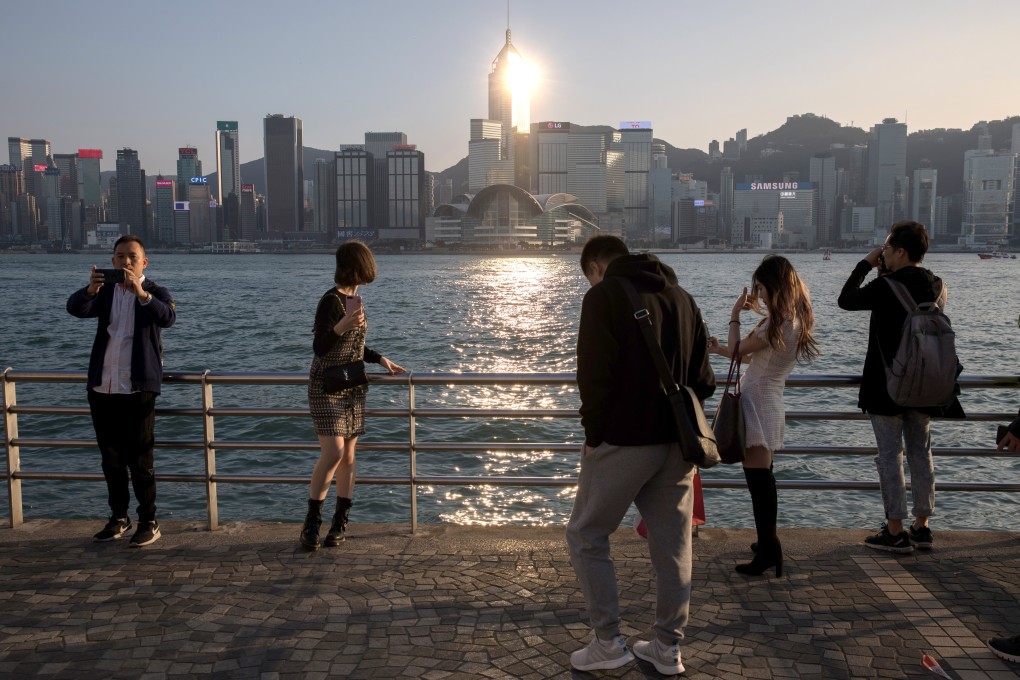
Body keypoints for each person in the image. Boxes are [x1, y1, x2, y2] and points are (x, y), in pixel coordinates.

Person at [566, 235, 714, 675]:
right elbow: (703, 380)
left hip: (623, 440)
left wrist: (594, 435)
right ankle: (668, 646)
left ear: (596, 266)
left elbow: (593, 374)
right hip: (678, 444)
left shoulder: (603, 296)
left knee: (587, 534)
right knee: (673, 543)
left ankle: (608, 642)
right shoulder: (683, 298)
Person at [837, 220, 963, 553]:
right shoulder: (938, 286)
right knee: (922, 452)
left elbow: (846, 300)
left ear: (901, 251)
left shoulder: (884, 287)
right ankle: (922, 527)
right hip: (928, 385)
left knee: (890, 457)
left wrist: (865, 263)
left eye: (887, 248)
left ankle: (894, 531)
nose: (884, 253)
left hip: (887, 387)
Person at [708, 255, 819, 576]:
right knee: (763, 477)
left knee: (758, 482)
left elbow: (740, 348)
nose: (757, 294)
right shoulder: (792, 319)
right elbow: (750, 357)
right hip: (766, 400)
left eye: (760, 287)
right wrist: (719, 350)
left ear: (774, 286)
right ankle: (766, 542)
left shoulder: (778, 322)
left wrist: (733, 315)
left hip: (757, 403)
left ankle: (770, 548)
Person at [66, 235, 176, 547]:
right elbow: (75, 308)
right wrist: (90, 289)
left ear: (144, 262)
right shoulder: (105, 292)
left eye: (132, 256)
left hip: (138, 387)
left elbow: (168, 317)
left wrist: (141, 293)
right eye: (119, 256)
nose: (125, 262)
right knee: (111, 458)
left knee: (141, 460)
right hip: (103, 386)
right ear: (112, 261)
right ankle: (119, 517)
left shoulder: (154, 291)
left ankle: (149, 520)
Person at [300, 241, 405, 551]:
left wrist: (379, 358)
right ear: (357, 267)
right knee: (332, 453)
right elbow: (320, 347)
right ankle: (311, 522)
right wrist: (344, 323)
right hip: (326, 388)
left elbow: (356, 347)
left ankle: (339, 523)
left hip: (351, 385)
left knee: (347, 457)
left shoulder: (355, 300)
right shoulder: (330, 301)